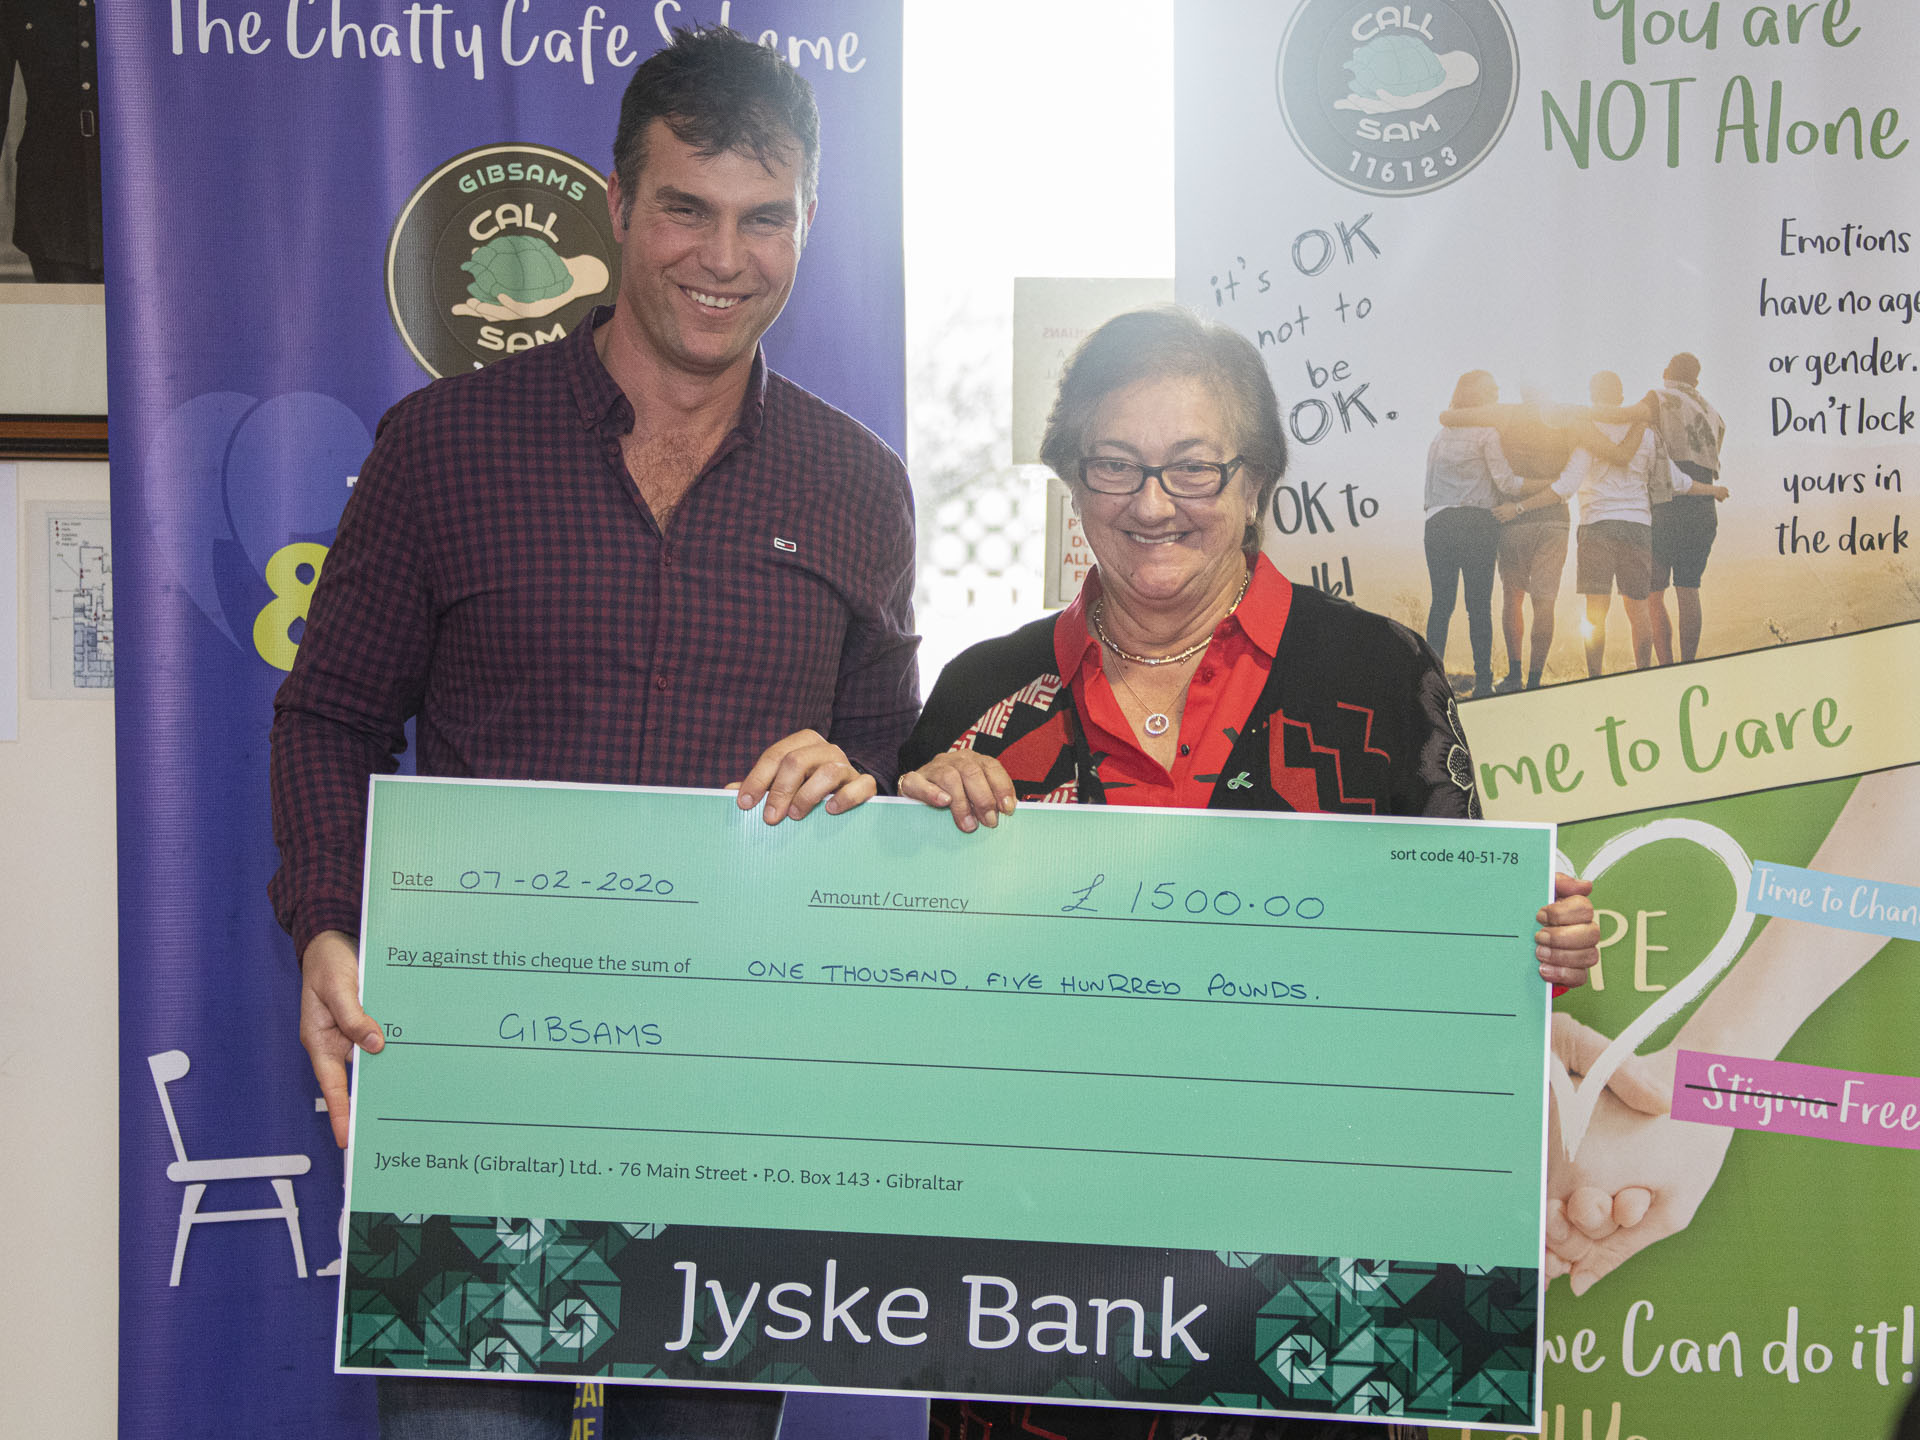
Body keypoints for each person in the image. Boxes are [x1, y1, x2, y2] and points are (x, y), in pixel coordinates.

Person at [268, 27, 917, 1439]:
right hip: (475, 1092)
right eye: (687, 209)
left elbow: (885, 762)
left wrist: (860, 781)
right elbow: (330, 714)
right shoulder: (442, 448)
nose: (723, 258)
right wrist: (327, 922)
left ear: (810, 220)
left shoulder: (861, 485)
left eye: (765, 218)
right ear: (616, 206)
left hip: (738, 1114)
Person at [897, 308, 1601, 1440]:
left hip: (1316, 1311)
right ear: (1072, 478)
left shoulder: (1376, 676)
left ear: (1257, 478)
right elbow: (900, 1000)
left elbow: (1457, 962)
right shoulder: (983, 698)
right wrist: (908, 849)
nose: (1152, 503)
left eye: (1194, 466)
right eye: (1114, 464)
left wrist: (1534, 950)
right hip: (1040, 1317)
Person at [1421, 370, 1520, 698]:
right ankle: (1483, 682)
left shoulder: (1440, 436)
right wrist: (1542, 488)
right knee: (1478, 606)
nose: (1497, 393)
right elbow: (1505, 482)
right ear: (1479, 396)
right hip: (1477, 523)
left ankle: (1431, 681)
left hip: (1438, 522)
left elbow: (1430, 486)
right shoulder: (1487, 433)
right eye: (1491, 389)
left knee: (1441, 604)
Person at [1642, 352, 1729, 665]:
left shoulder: (1659, 398)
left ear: (1668, 371)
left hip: (1666, 506)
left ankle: (1666, 665)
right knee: (1689, 589)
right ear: (1696, 379)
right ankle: (1688, 664)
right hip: (1703, 509)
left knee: (1654, 593)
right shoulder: (1713, 414)